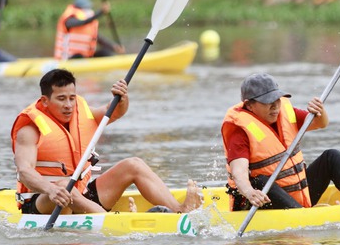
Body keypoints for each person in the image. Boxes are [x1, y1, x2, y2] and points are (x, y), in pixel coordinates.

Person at [11, 69, 203, 215]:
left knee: (133, 165)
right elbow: (25, 172)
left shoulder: (81, 111)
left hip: (82, 197)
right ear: (45, 101)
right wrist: (51, 189)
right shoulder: (29, 129)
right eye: (61, 99)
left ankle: (180, 212)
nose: (69, 105)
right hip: (45, 203)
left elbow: (114, 112)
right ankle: (114, 222)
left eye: (71, 98)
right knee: (63, 185)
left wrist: (122, 99)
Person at [221, 73, 340, 211]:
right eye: (268, 102)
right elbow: (239, 173)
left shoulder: (284, 113)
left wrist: (320, 111)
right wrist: (250, 192)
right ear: (250, 105)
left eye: (277, 100)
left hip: (295, 195)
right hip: (259, 202)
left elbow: (320, 123)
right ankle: (306, 215)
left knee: (331, 156)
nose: (275, 107)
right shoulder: (239, 130)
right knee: (260, 181)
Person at [54, 0, 124, 60]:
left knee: (105, 53)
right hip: (68, 58)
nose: (88, 11)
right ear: (78, 8)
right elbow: (82, 22)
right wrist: (100, 12)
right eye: (85, 8)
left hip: (86, 57)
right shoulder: (69, 20)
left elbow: (99, 39)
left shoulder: (89, 22)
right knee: (79, 56)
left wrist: (114, 48)